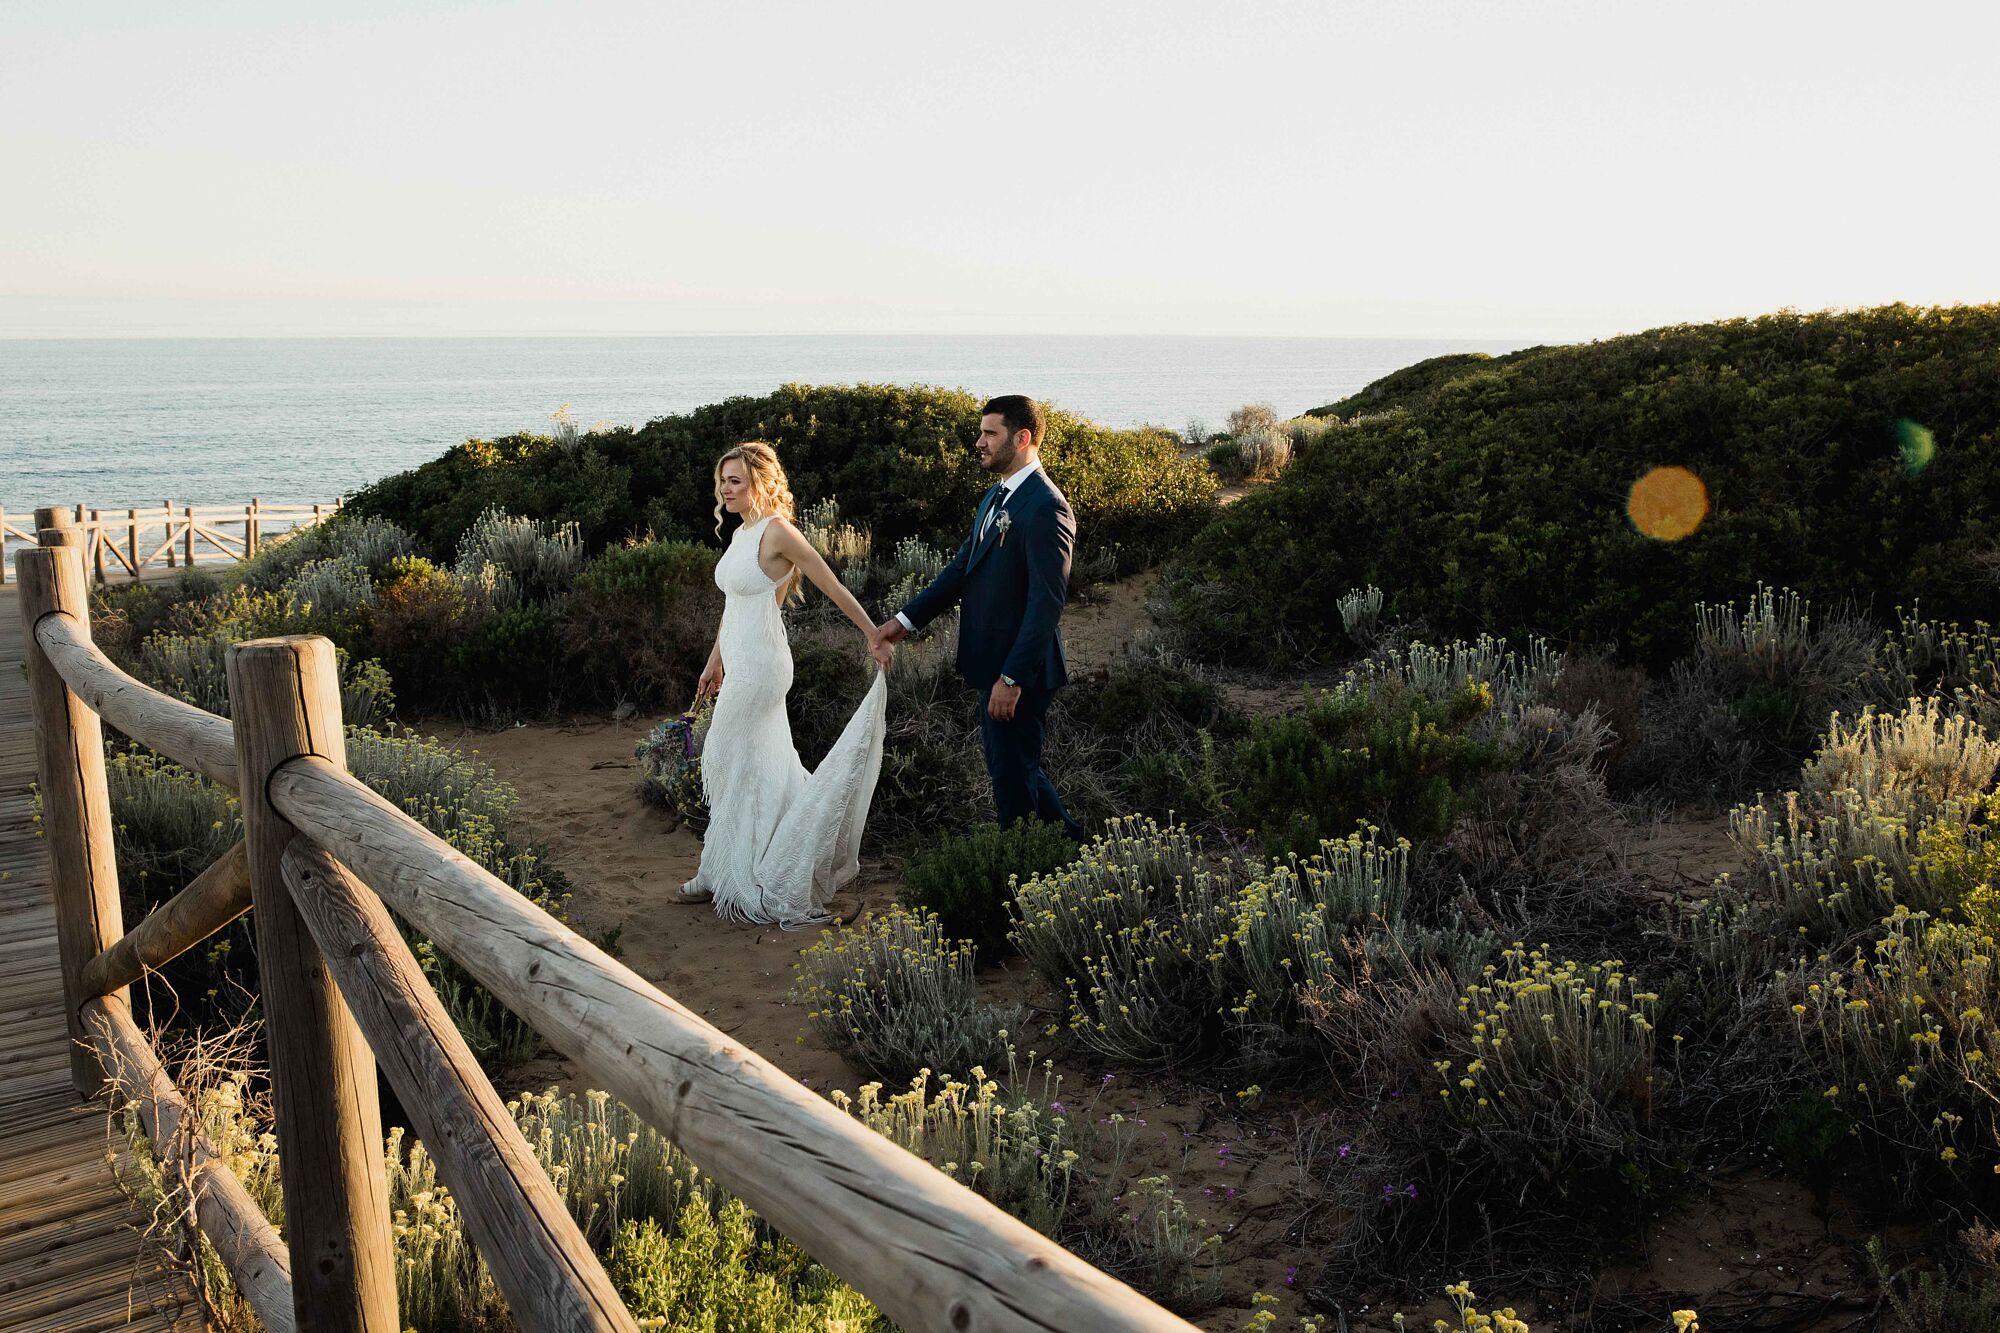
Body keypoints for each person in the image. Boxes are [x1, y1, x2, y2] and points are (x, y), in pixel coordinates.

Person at [672, 442, 895, 926]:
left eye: (735, 480)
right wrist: (716, 662)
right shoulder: (742, 533)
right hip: (740, 661)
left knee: (730, 757)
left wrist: (872, 634)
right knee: (749, 763)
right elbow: (737, 607)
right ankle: (725, 865)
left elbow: (830, 583)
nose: (725, 489)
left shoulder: (778, 533)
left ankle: (731, 872)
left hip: (763, 669)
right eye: (722, 480)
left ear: (760, 482)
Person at [877, 395, 1085, 841]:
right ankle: (1072, 846)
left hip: (1018, 670)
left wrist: (1012, 678)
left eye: (990, 433)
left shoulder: (1047, 507)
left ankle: (1023, 873)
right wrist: (903, 622)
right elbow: (959, 572)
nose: (979, 442)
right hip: (990, 663)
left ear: (1022, 438)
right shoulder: (996, 495)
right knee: (1015, 766)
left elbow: (1046, 604)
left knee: (1011, 777)